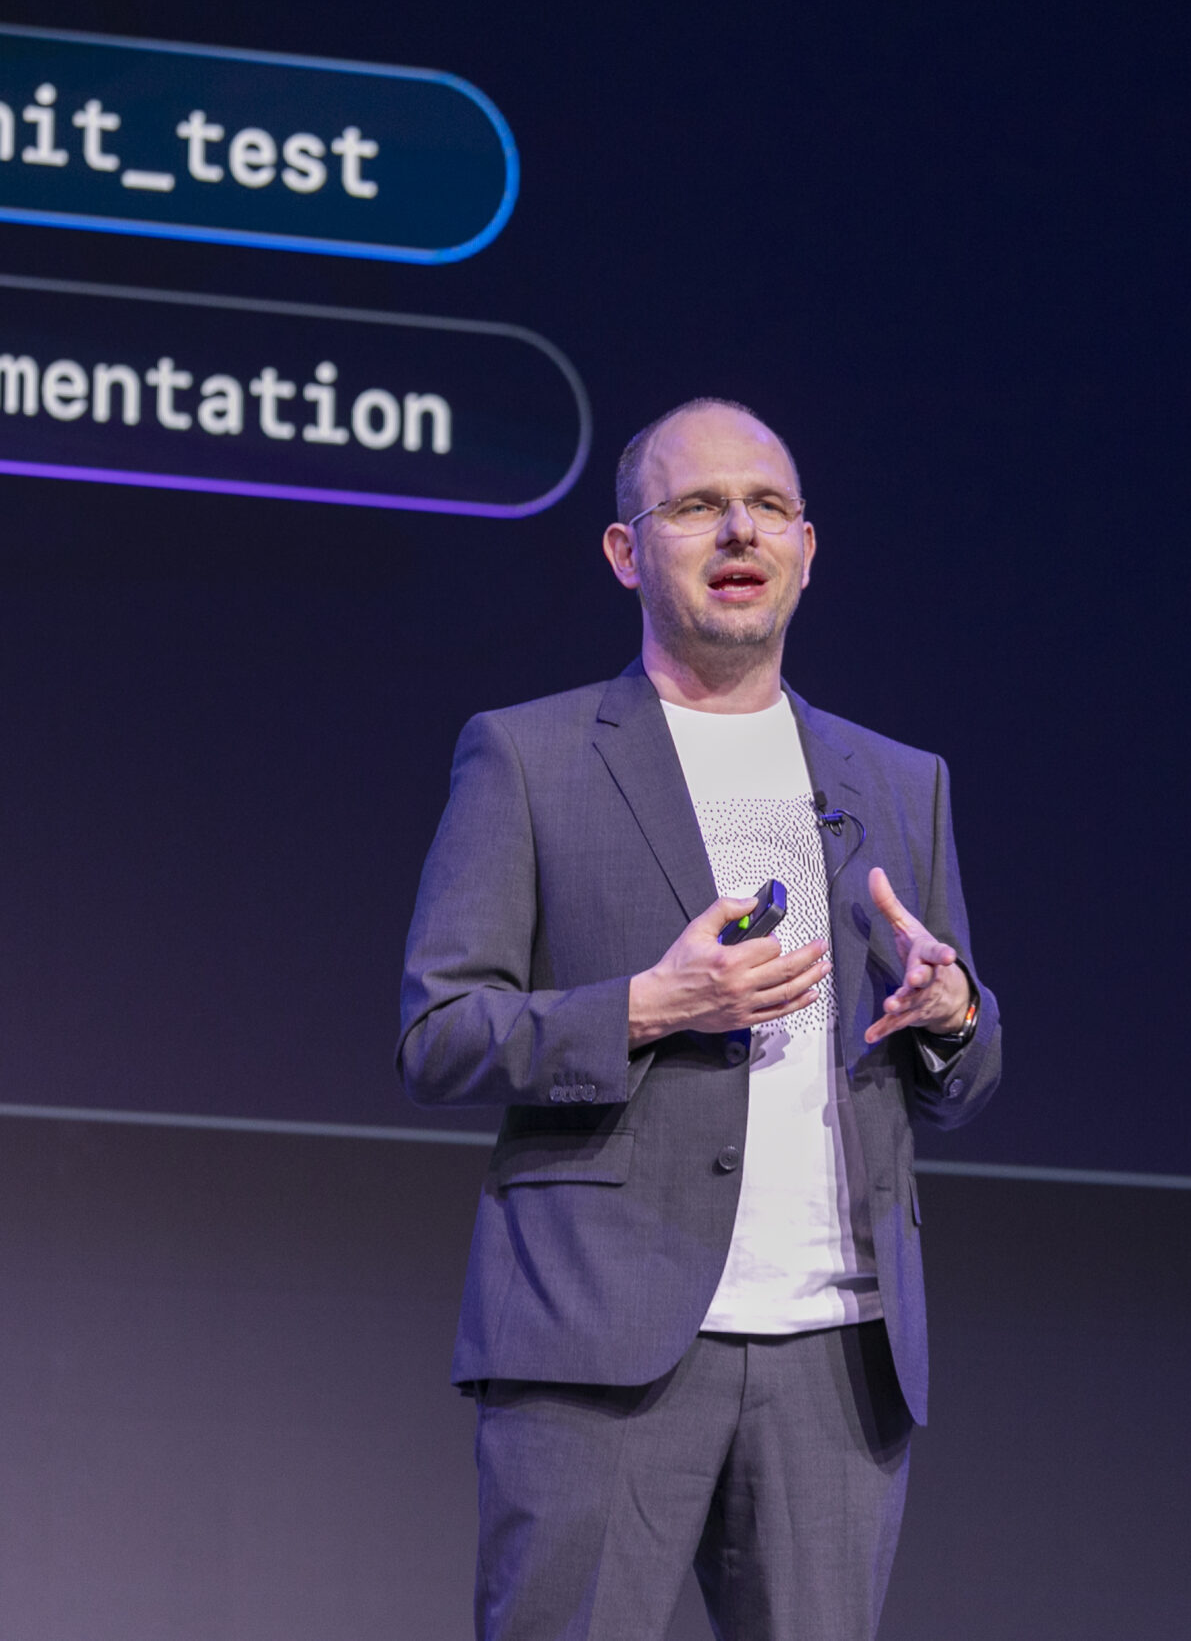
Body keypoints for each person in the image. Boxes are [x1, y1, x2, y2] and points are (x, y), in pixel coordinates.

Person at [398, 398, 1003, 1640]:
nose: (739, 528)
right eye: (695, 505)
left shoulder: (897, 780)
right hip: (599, 1345)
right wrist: (643, 1006)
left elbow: (962, 1066)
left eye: (768, 505)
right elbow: (440, 1030)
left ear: (807, 548)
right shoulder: (529, 756)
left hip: (837, 1352)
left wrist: (949, 1010)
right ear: (627, 551)